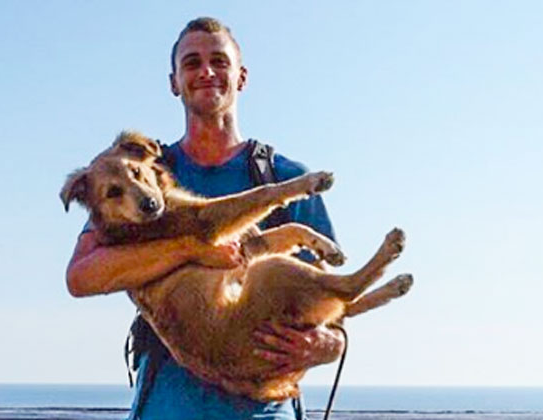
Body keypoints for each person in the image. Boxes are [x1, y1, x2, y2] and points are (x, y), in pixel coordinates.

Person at [66, 17, 345, 420]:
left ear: (241, 76)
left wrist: (323, 346)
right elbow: (82, 276)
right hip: (165, 405)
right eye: (192, 63)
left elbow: (335, 310)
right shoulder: (139, 175)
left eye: (219, 61)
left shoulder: (285, 177)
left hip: (265, 409)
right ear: (174, 82)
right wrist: (189, 248)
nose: (206, 72)